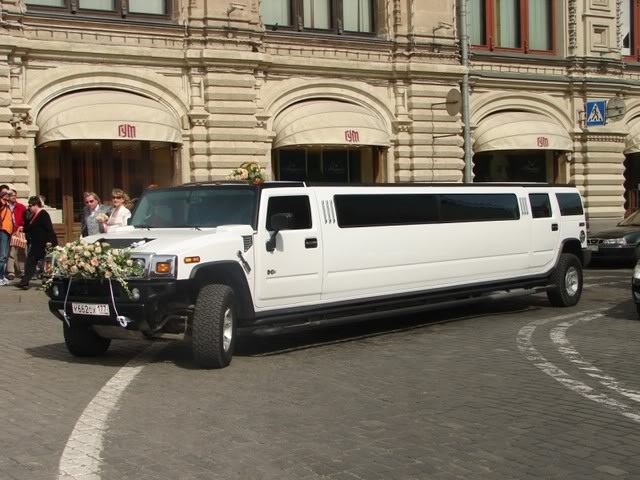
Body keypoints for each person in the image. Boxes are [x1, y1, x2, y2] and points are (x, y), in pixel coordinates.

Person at [16, 196, 58, 290]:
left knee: (46, 264)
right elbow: (31, 227)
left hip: (45, 243)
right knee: (31, 262)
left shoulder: (43, 214)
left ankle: (47, 283)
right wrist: (23, 228)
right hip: (37, 243)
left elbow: (49, 229)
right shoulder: (34, 215)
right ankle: (25, 282)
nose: (29, 208)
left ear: (36, 205)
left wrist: (51, 242)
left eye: (30, 206)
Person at [6, 189, 27, 280]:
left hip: (20, 231)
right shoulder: (5, 207)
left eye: (15, 195)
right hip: (10, 231)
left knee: (22, 251)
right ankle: (11, 272)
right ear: (8, 197)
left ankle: (22, 270)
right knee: (11, 252)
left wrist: (22, 226)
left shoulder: (21, 206)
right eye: (11, 195)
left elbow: (26, 219)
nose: (14, 197)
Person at [0, 185, 13, 285]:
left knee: (5, 256)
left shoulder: (8, 204)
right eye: (5, 193)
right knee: (2, 256)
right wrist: (5, 193)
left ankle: (2, 275)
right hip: (2, 231)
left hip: (8, 232)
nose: (7, 195)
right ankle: (0, 277)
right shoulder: (1, 203)